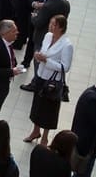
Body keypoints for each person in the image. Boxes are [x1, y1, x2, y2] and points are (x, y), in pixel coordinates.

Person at [25, 15, 73, 147]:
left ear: (61, 28)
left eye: (54, 24)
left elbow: (65, 67)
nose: (50, 26)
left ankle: (45, 138)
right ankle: (35, 131)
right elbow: (43, 50)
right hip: (41, 76)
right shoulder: (47, 36)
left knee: (49, 110)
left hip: (52, 82)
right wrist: (38, 55)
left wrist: (47, 61)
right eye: (50, 23)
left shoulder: (67, 45)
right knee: (37, 105)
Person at [21, 0, 70, 71]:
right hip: (57, 36)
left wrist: (34, 17)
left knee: (39, 62)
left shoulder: (48, 6)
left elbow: (38, 23)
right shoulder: (66, 4)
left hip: (42, 37)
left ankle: (38, 78)